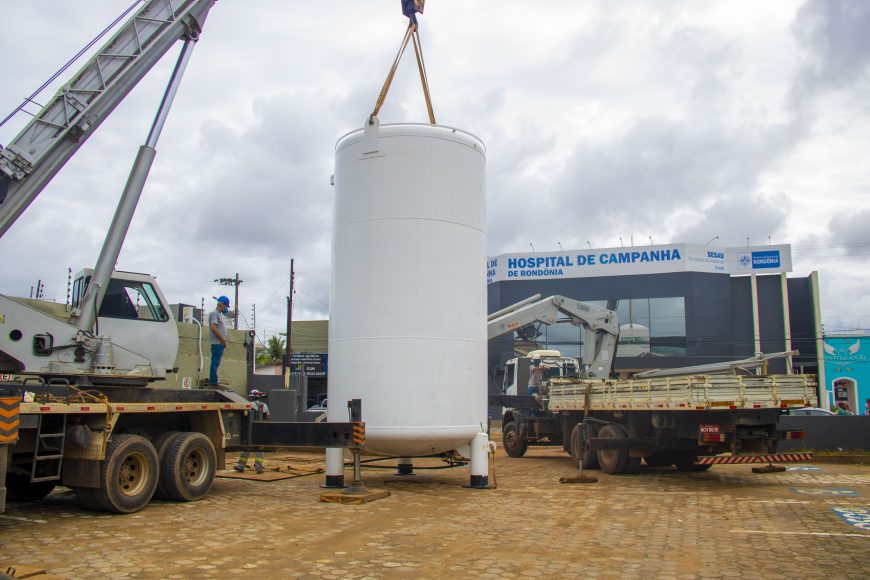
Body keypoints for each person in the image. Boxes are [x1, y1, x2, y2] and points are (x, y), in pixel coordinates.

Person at [234, 390, 270, 474]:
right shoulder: (264, 406)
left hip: (250, 430)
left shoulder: (249, 405)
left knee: (246, 448)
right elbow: (267, 418)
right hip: (261, 430)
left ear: (252, 397)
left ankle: (241, 466)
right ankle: (259, 468)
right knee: (260, 449)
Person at [208, 296, 230, 386]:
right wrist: (222, 340)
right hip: (217, 343)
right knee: (215, 361)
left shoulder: (219, 314)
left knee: (216, 361)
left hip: (219, 343)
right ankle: (213, 381)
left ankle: (214, 379)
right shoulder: (214, 313)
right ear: (223, 305)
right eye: (226, 306)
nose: (226, 309)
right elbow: (213, 328)